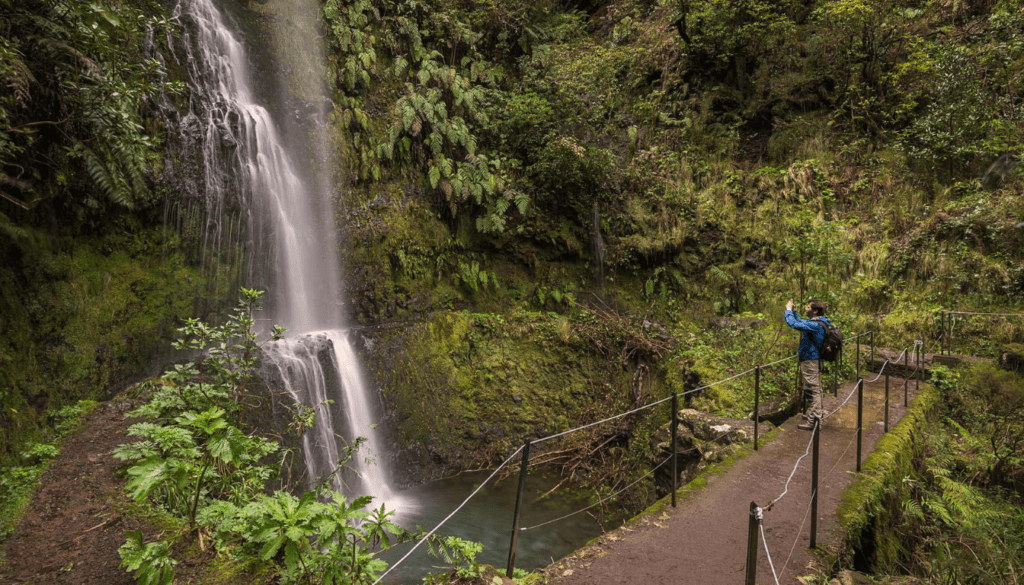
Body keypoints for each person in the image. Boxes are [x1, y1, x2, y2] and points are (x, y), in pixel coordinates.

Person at [784, 298, 830, 430]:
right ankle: (815, 414)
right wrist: (793, 312)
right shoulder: (817, 322)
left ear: (815, 310)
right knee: (814, 388)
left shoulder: (815, 325)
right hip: (813, 358)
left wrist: (787, 310)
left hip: (810, 359)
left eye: (808, 307)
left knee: (813, 389)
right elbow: (800, 322)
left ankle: (814, 421)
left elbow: (794, 324)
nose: (806, 308)